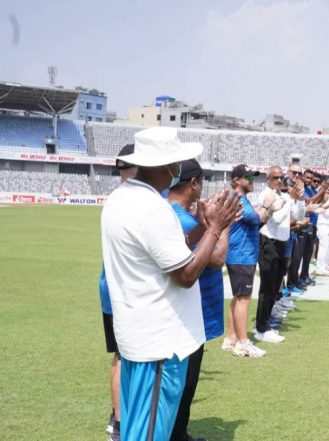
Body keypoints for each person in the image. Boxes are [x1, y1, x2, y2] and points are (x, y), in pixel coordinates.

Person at [101, 127, 240, 440]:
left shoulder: (122, 198)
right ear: (169, 166)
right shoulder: (153, 209)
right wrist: (216, 228)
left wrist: (203, 228)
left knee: (138, 428)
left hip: (139, 336)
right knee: (150, 434)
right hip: (159, 344)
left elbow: (168, 246)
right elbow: (187, 274)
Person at [167, 159, 230, 441]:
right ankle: (175, 434)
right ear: (193, 183)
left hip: (190, 313)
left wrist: (207, 222)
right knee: (182, 383)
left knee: (185, 384)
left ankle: (179, 433)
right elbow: (214, 259)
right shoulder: (177, 217)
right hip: (185, 315)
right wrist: (222, 225)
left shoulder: (177, 216)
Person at [99, 143, 136, 441]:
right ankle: (120, 422)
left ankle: (119, 419)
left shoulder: (118, 198)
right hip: (120, 290)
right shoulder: (128, 201)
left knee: (123, 354)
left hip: (114, 287)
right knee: (124, 355)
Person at [224, 164, 267, 358]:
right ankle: (243, 343)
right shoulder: (239, 199)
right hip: (242, 254)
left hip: (239, 254)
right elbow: (256, 218)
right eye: (248, 178)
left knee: (238, 297)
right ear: (237, 181)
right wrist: (268, 207)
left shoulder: (239, 199)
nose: (251, 181)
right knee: (243, 299)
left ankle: (231, 338)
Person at [255, 166, 301, 344]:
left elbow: (295, 216)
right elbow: (277, 218)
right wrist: (290, 200)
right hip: (269, 243)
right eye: (275, 177)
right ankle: (261, 327)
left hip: (281, 243)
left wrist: (298, 200)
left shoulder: (282, 196)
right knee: (267, 288)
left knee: (275, 287)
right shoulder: (266, 195)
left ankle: (265, 322)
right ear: (268, 179)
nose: (280, 180)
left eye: (281, 177)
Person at [299, 170, 329, 285]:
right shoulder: (304, 189)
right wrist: (322, 190)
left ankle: (304, 275)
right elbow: (310, 201)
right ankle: (299, 278)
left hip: (313, 224)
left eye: (317, 181)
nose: (314, 182)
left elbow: (319, 201)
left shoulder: (311, 190)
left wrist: (323, 190)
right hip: (305, 224)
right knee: (301, 255)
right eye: (313, 180)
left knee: (307, 253)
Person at [285, 163, 310, 294]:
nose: (297, 175)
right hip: (280, 233)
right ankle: (281, 292)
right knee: (281, 267)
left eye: (299, 173)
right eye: (294, 172)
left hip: (292, 232)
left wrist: (300, 198)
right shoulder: (282, 187)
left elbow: (299, 215)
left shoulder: (299, 189)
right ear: (288, 172)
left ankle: (284, 292)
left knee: (290, 262)